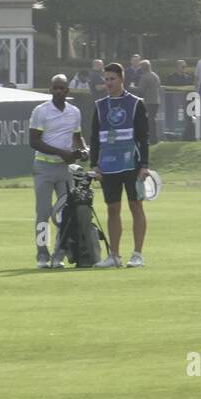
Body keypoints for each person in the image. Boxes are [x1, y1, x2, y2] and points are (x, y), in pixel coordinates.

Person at [89, 63, 150, 268]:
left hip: (131, 163)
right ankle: (114, 256)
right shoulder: (100, 105)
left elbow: (143, 137)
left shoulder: (135, 103)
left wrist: (144, 165)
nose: (108, 83)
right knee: (112, 209)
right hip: (108, 165)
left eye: (112, 79)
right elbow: (95, 138)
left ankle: (137, 254)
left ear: (121, 79)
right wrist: (95, 165)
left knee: (136, 206)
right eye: (105, 79)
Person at [28, 75, 86, 268]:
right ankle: (42, 255)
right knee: (43, 213)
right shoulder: (41, 111)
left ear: (67, 90)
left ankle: (59, 254)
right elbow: (34, 141)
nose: (59, 91)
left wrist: (83, 151)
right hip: (44, 167)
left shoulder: (74, 112)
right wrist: (62, 153)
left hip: (64, 169)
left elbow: (77, 137)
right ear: (50, 90)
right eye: (55, 88)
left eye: (62, 88)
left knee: (65, 214)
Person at [137, 60, 162, 144]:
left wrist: (132, 89)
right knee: (152, 120)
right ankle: (155, 138)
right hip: (156, 100)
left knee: (149, 121)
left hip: (149, 101)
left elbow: (141, 91)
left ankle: (152, 139)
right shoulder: (155, 75)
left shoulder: (145, 77)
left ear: (143, 68)